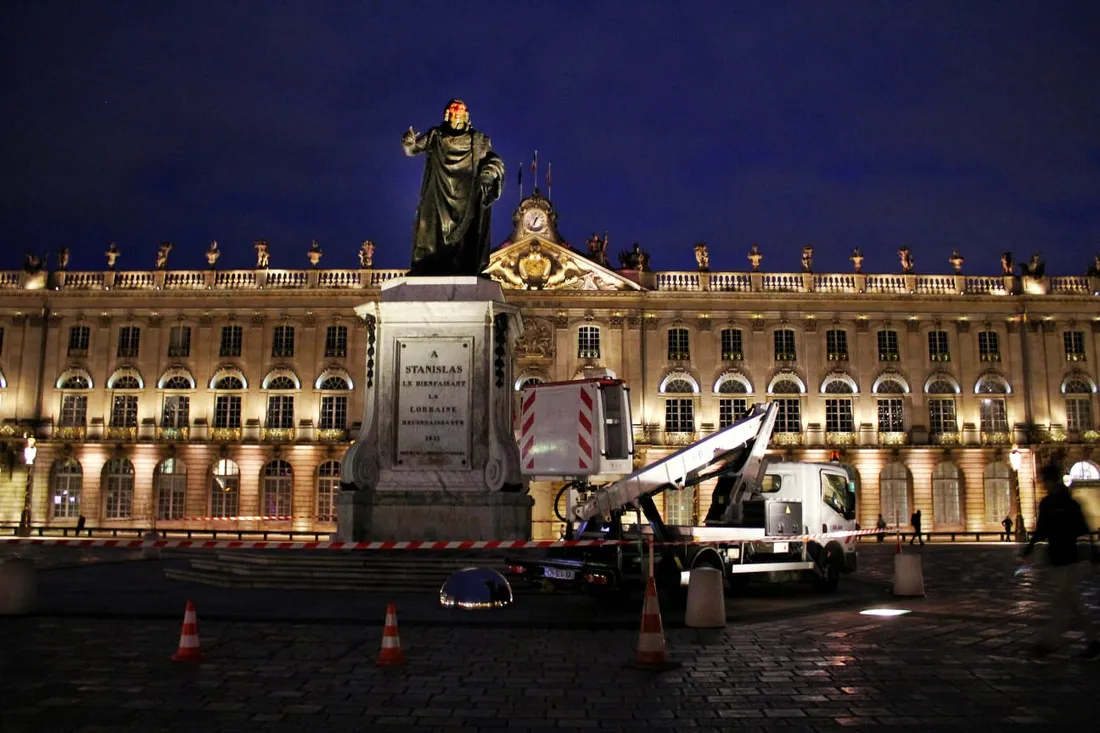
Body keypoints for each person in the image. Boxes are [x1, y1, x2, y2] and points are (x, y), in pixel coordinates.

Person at [402, 99, 505, 276]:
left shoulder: (479, 140)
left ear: (466, 116)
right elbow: (413, 149)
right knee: (430, 227)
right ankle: (427, 263)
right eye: (453, 109)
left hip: (467, 193)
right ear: (447, 114)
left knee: (466, 236)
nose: (457, 112)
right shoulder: (436, 135)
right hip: (438, 191)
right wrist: (409, 144)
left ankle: (463, 264)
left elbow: (494, 161)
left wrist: (488, 174)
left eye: (460, 109)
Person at [1019, 462, 1099, 658]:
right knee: (1072, 601)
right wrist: (1030, 547)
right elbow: (1044, 530)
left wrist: (1031, 547)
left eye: (1045, 480)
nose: (1043, 484)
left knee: (1062, 602)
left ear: (1051, 480)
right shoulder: (1064, 503)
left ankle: (1050, 642)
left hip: (1067, 559)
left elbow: (1045, 530)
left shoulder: (1060, 504)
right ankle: (1093, 642)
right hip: (1061, 558)